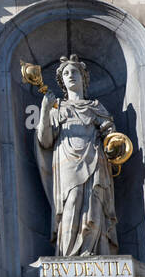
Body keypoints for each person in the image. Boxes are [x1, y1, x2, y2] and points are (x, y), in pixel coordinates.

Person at [35, 55, 118, 256]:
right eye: (65, 73)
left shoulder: (96, 107)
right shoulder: (57, 109)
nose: (70, 76)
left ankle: (93, 250)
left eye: (74, 72)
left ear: (83, 78)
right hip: (67, 161)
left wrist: (114, 143)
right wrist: (45, 111)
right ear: (61, 81)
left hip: (95, 158)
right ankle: (67, 253)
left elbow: (111, 135)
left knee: (94, 202)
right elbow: (45, 141)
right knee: (71, 201)